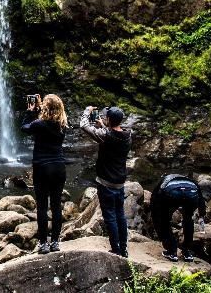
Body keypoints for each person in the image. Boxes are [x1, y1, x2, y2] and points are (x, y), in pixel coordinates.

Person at [80, 105, 132, 257]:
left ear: (108, 119)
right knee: (120, 215)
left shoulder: (106, 135)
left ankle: (115, 250)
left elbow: (84, 126)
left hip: (106, 183)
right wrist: (104, 125)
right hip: (120, 182)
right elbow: (114, 133)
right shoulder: (128, 135)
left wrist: (87, 111)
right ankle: (124, 248)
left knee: (110, 216)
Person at [21, 94, 68, 254]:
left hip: (42, 167)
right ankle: (55, 242)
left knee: (42, 206)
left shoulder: (39, 124)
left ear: (45, 108)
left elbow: (25, 128)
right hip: (59, 167)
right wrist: (41, 108)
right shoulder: (62, 124)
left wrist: (30, 111)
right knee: (56, 205)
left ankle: (43, 244)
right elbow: (49, 118)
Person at [150, 174, 206, 262]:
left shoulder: (163, 182)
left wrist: (157, 219)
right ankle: (187, 252)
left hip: (172, 194)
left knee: (164, 221)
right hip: (191, 193)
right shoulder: (190, 181)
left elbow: (154, 203)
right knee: (188, 219)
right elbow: (201, 200)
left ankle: (172, 251)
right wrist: (202, 215)